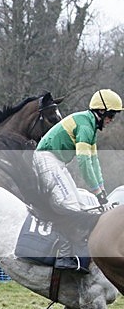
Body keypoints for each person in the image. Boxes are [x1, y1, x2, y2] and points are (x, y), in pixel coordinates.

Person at [33, 89, 122, 272]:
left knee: (82, 205)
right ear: (101, 111)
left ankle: (78, 253)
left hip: (57, 162)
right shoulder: (85, 126)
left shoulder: (90, 127)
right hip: (46, 158)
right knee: (71, 206)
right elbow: (83, 162)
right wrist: (98, 192)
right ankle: (64, 256)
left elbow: (94, 162)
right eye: (111, 115)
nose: (112, 120)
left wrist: (102, 191)